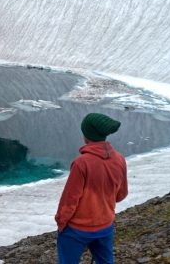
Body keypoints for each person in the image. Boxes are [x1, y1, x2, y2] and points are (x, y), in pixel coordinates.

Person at [55, 113, 128, 264]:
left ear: (86, 135)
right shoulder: (119, 159)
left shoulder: (81, 163)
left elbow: (70, 200)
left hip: (78, 230)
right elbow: (121, 194)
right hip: (105, 226)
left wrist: (61, 222)